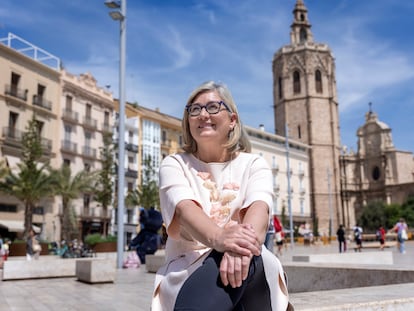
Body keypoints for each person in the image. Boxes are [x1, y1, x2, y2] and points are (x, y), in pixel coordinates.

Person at [152, 81, 291, 311]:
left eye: (213, 107)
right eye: (194, 110)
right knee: (249, 260)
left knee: (254, 258)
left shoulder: (253, 164)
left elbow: (259, 209)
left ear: (232, 120)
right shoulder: (174, 164)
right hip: (188, 269)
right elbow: (185, 210)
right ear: (188, 121)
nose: (203, 114)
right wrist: (220, 239)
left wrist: (237, 246)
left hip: (249, 260)